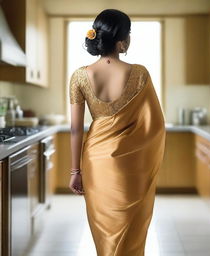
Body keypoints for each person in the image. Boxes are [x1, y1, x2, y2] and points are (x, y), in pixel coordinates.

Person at [69, 8, 166, 256]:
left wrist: (75, 171)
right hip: (131, 166)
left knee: (104, 231)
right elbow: (154, 126)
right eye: (129, 33)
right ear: (122, 40)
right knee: (132, 227)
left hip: (96, 162)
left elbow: (75, 130)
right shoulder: (140, 73)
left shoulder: (80, 76)